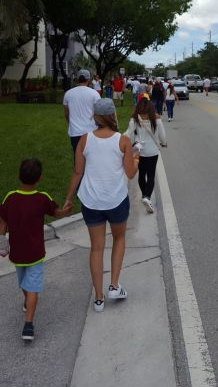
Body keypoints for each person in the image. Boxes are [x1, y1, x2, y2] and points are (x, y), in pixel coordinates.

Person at [63, 98, 139, 312]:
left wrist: (69, 198)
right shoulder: (123, 140)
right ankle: (114, 285)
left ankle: (98, 299)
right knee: (119, 238)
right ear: (113, 114)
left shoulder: (84, 140)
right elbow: (130, 174)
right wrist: (135, 159)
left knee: (96, 248)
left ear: (95, 116)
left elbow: (78, 172)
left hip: (91, 202)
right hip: (115, 200)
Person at [0, 159, 72, 341]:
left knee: (26, 284)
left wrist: (2, 240)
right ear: (39, 179)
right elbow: (55, 212)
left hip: (17, 254)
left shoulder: (10, 198)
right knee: (30, 286)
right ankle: (28, 315)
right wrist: (66, 211)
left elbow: (3, 221)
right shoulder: (42, 198)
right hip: (35, 253)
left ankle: (28, 322)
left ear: (18, 176)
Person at [124, 98, 167, 213]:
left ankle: (144, 195)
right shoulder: (156, 119)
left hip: (139, 151)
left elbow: (128, 134)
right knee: (151, 175)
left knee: (141, 174)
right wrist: (164, 143)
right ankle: (147, 197)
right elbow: (162, 135)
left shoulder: (134, 120)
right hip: (152, 151)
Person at [63, 69, 100, 156]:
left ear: (77, 78)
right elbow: (98, 113)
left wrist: (70, 124)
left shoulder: (68, 94)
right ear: (89, 79)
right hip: (91, 131)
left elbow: (66, 114)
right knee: (92, 159)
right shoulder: (94, 94)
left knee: (77, 159)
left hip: (75, 132)